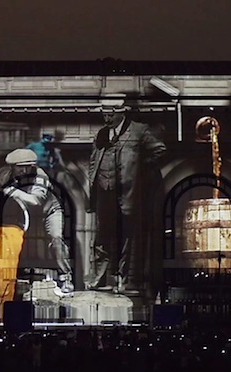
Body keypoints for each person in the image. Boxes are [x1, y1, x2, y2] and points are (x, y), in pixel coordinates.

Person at [86, 94, 165, 295]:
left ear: (122, 112)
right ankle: (100, 279)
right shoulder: (101, 134)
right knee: (102, 237)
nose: (107, 118)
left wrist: (140, 171)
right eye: (104, 113)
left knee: (128, 237)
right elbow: (94, 160)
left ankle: (125, 281)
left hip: (128, 193)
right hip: (105, 193)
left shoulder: (139, 131)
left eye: (111, 113)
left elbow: (160, 151)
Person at [3, 148, 75, 295]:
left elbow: (35, 201)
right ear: (12, 167)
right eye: (20, 167)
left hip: (49, 212)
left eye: (27, 166)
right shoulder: (8, 176)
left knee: (56, 239)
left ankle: (65, 277)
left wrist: (12, 191)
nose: (24, 170)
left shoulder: (41, 177)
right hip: (24, 214)